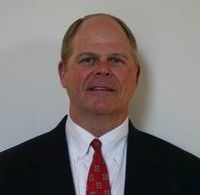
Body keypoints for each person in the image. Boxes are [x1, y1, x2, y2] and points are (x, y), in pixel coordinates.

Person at [0, 13, 200, 195]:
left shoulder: (189, 174)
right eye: (88, 60)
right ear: (63, 73)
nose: (103, 70)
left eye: (116, 60)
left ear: (136, 75)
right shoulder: (7, 172)